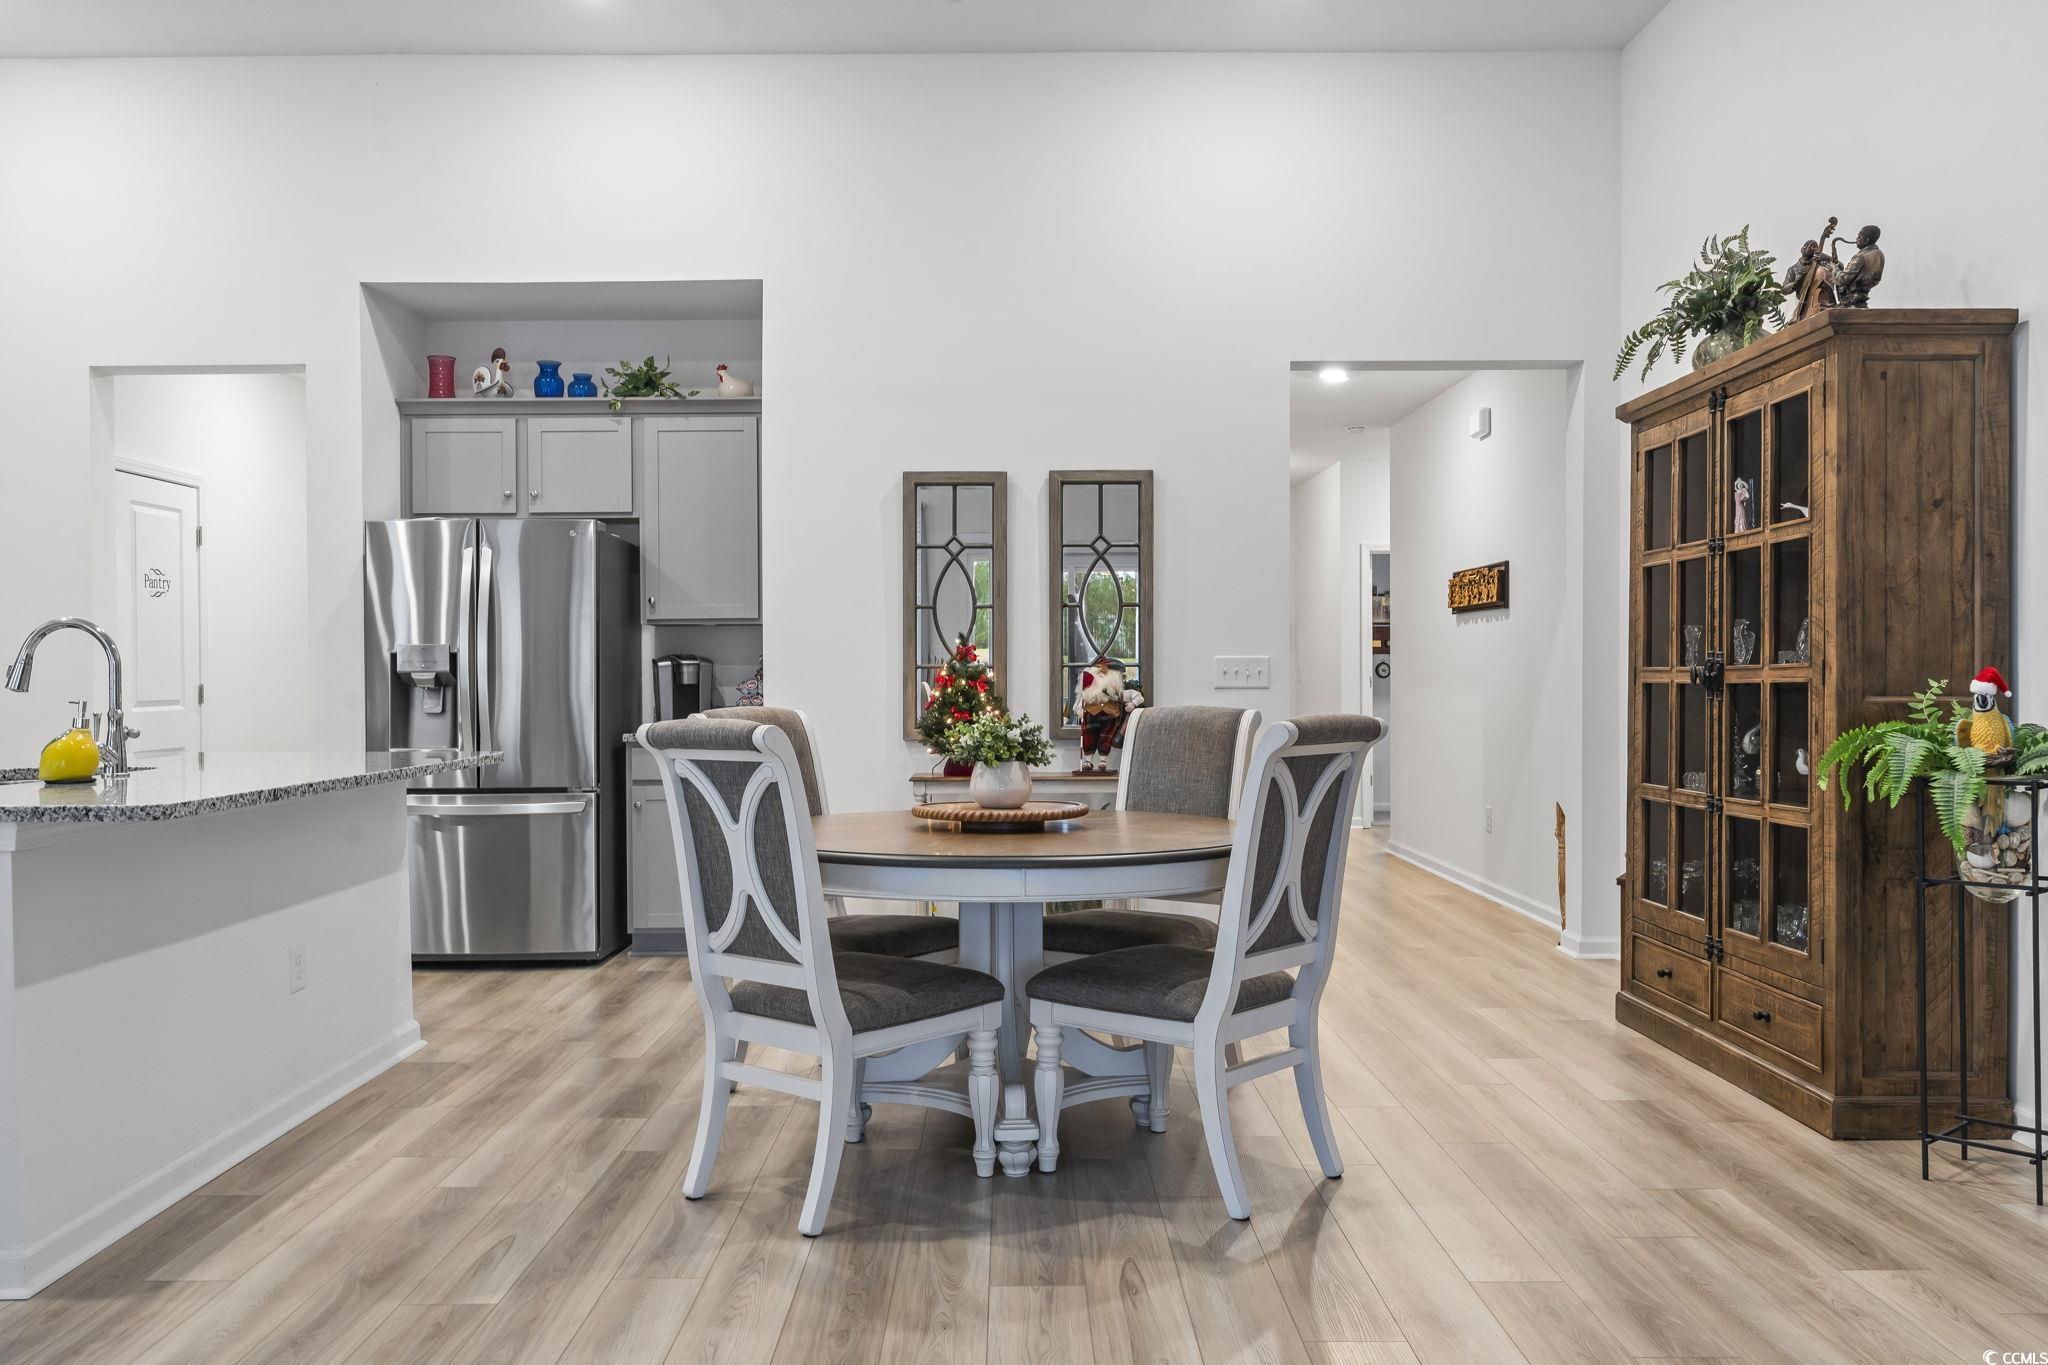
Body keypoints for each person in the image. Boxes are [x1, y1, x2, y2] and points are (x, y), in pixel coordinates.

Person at [1834, 224, 1884, 308]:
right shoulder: (1880, 254)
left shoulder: (1860, 256)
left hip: (1850, 302)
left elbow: (1842, 279)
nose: (1856, 239)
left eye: (1859, 237)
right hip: (1862, 298)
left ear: (1867, 240)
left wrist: (1835, 269)